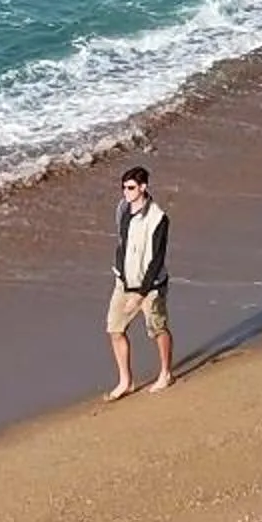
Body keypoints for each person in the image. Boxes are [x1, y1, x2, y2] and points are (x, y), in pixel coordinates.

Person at [105, 165, 172, 398]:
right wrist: (121, 277)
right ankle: (126, 381)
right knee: (115, 329)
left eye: (131, 188)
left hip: (150, 286)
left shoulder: (158, 218)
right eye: (123, 187)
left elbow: (156, 260)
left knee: (157, 329)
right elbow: (122, 243)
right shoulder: (122, 209)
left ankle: (165, 373)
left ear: (143, 187)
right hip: (123, 282)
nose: (126, 192)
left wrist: (141, 294)